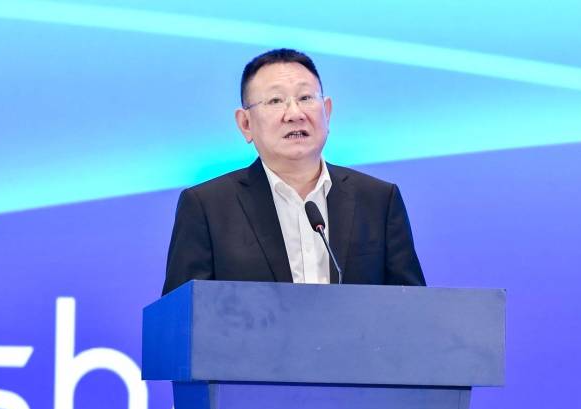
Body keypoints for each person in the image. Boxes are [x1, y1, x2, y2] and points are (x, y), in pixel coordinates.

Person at [162, 48, 424, 295]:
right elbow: (181, 317)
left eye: (305, 98)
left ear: (327, 112)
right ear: (245, 124)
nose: (294, 114)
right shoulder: (207, 207)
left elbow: (412, 308)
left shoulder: (378, 200)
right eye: (275, 101)